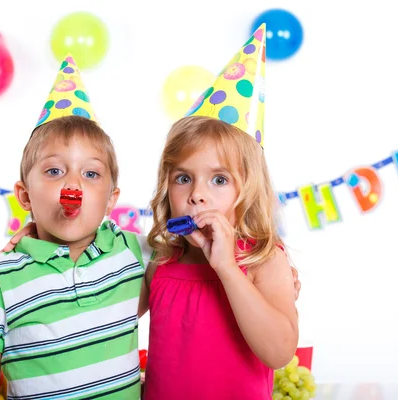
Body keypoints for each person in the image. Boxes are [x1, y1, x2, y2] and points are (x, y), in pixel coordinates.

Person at [0, 55, 151, 399]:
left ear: (110, 199)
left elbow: (192, 245)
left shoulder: (132, 251)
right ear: (25, 196)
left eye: (90, 174)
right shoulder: (0, 277)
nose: (72, 185)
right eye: (54, 171)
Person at [141, 23, 299, 399]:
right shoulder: (162, 259)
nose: (197, 195)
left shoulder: (264, 260)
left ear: (250, 188)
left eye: (219, 180)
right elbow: (105, 316)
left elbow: (278, 352)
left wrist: (227, 267)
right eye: (183, 178)